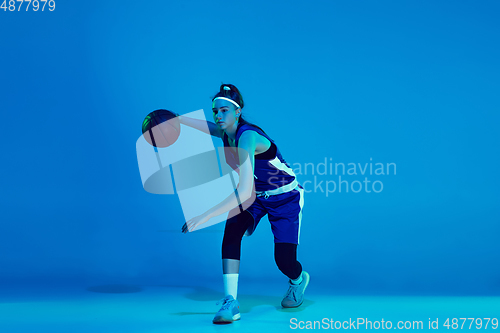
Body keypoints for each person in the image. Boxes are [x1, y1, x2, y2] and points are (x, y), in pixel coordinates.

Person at [179, 83, 309, 324]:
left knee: (284, 261)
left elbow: (242, 191)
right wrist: (178, 122)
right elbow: (209, 129)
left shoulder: (247, 137)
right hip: (257, 197)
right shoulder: (225, 133)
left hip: (285, 199)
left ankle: (298, 280)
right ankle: (231, 301)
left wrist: (205, 216)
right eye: (215, 111)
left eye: (224, 111)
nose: (218, 116)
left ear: (238, 112)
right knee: (232, 228)